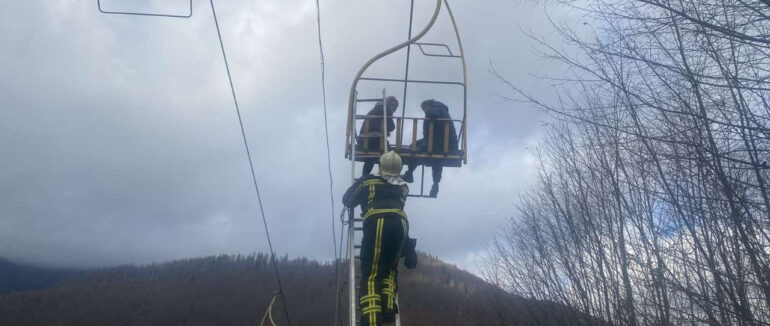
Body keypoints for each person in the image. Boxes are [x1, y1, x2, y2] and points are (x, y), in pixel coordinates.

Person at [343, 151, 409, 326]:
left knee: (371, 275)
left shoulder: (368, 182)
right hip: (401, 225)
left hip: (378, 224)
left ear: (381, 166)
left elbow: (348, 200)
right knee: (389, 270)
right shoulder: (403, 187)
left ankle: (372, 321)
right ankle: (388, 311)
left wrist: (360, 181)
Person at [402, 99, 457, 197]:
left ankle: (410, 173)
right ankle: (435, 183)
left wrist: (428, 112)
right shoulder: (441, 109)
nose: (424, 111)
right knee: (436, 160)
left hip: (441, 143)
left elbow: (432, 114)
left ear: (429, 105)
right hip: (442, 142)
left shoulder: (437, 108)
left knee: (415, 150)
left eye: (424, 108)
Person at [358, 96, 399, 176]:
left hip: (363, 139)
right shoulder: (386, 109)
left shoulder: (374, 110)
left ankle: (364, 175)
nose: (394, 109)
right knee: (388, 153)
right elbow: (392, 127)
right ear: (391, 104)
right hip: (375, 137)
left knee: (371, 157)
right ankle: (386, 175)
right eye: (394, 107)